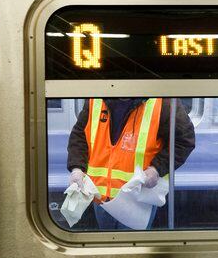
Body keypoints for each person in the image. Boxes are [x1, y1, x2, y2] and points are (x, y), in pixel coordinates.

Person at [67, 98, 195, 229]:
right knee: (107, 246)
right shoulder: (96, 99)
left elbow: (183, 140)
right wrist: (77, 168)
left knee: (134, 247)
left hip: (138, 200)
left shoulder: (162, 101)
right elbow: (79, 135)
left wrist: (156, 169)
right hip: (100, 198)